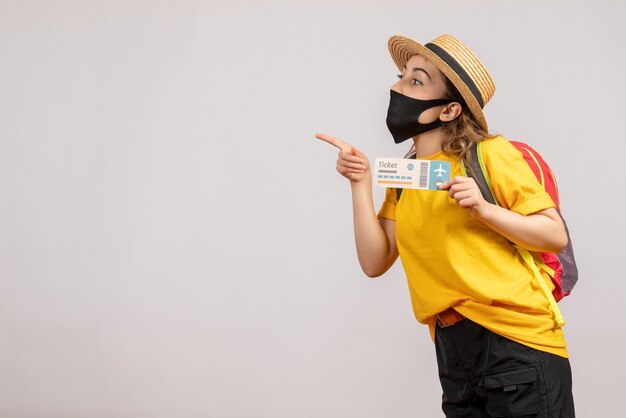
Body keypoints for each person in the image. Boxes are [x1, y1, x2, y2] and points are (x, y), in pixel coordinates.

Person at [316, 34, 575, 417]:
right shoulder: (409, 177)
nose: (396, 87)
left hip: (517, 343)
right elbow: (374, 261)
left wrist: (484, 210)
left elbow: (553, 235)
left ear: (450, 110)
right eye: (401, 75)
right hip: (454, 353)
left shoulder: (489, 154)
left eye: (415, 80)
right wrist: (360, 184)